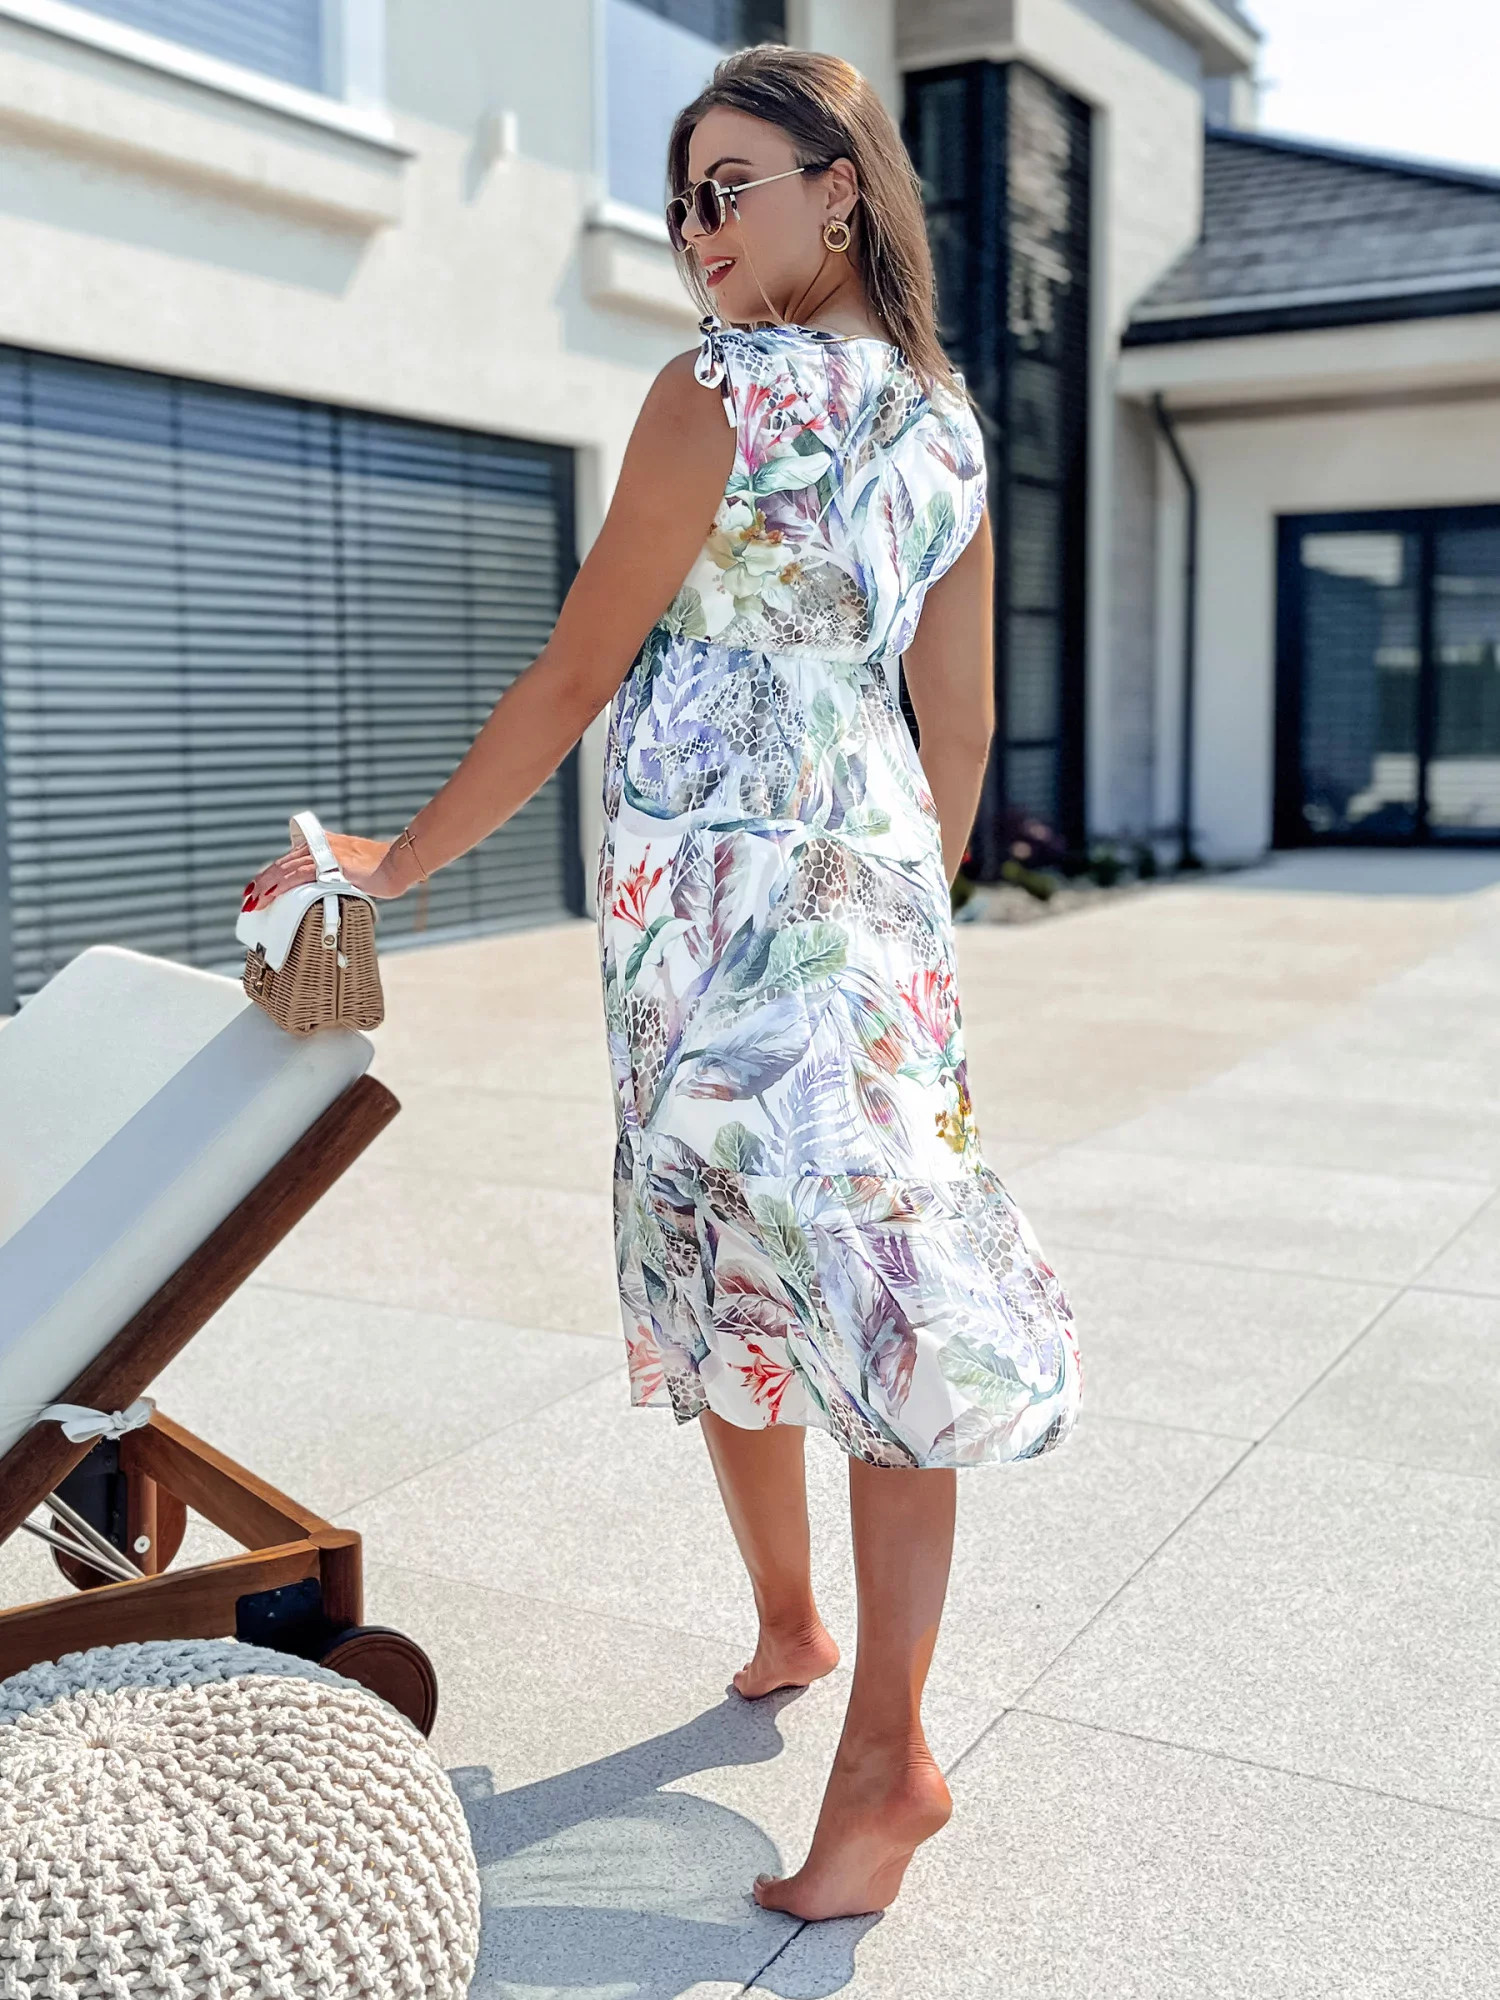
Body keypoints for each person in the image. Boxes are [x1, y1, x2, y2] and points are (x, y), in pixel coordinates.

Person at [247, 44, 1082, 1923]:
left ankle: (890, 1759)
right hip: (858, 908)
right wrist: (901, 935)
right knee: (802, 1257)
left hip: (723, 912)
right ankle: (791, 1627)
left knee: (811, 1273)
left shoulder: (717, 392)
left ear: (839, 190)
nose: (697, 229)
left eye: (730, 188)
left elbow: (574, 675)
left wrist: (392, 863)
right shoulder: (947, 431)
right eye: (681, 197)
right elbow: (956, 730)